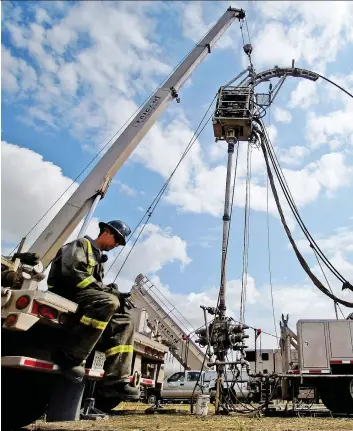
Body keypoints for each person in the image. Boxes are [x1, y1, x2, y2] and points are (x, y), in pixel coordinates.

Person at [47, 220, 139, 411]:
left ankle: (115, 381)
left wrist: (114, 292)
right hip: (68, 292)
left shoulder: (99, 259)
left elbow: (96, 287)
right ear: (106, 231)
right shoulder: (81, 244)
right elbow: (74, 274)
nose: (116, 245)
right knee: (109, 302)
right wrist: (109, 293)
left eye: (120, 243)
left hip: (87, 297)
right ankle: (70, 357)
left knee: (125, 320)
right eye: (117, 239)